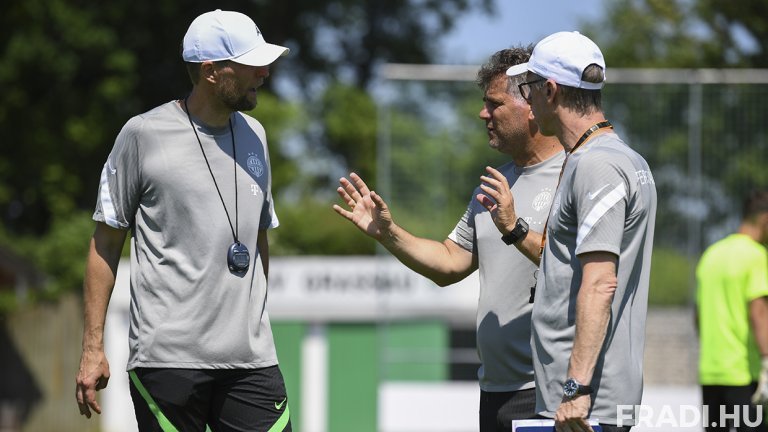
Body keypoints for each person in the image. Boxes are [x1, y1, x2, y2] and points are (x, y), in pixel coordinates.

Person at [74, 10, 292, 432]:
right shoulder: (142, 135)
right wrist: (92, 348)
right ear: (210, 72)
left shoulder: (257, 136)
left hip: (252, 361)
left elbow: (257, 238)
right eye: (251, 64)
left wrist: (253, 319)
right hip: (168, 361)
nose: (264, 72)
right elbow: (105, 243)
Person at [333, 47, 564, 431]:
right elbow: (449, 262)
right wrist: (389, 234)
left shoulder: (575, 175)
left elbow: (579, 267)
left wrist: (516, 227)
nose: (483, 114)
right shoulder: (492, 186)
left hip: (549, 391)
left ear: (531, 104)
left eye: (494, 104)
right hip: (495, 390)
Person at [499, 31, 657, 431]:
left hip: (585, 404)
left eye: (528, 88)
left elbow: (601, 283)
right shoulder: (610, 158)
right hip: (583, 400)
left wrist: (575, 387)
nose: (527, 101)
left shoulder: (597, 165)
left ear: (550, 91)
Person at [696, 190, 768, 432]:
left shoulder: (711, 255)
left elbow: (698, 316)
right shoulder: (756, 255)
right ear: (765, 219)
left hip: (710, 373)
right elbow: (759, 313)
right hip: (744, 375)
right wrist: (767, 361)